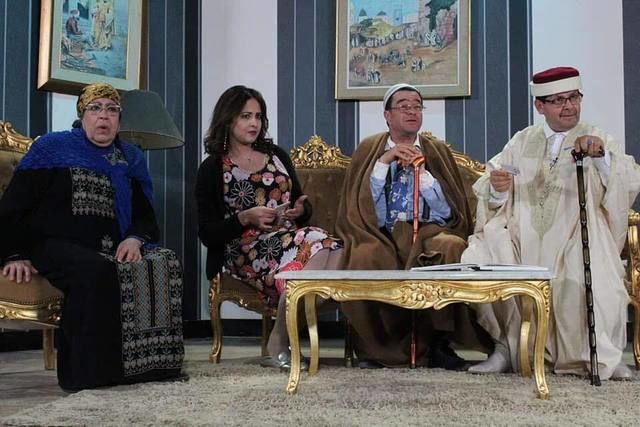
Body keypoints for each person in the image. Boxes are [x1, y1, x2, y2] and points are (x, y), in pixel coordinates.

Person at [0, 83, 185, 391]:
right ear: (82, 115)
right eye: (95, 108)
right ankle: (85, 375)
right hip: (51, 244)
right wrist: (14, 254)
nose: (104, 116)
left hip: (114, 246)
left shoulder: (130, 158)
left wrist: (135, 239)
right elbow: (13, 207)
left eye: (112, 110)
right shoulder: (51, 148)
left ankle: (148, 367)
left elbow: (144, 215)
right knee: (96, 270)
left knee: (164, 261)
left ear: (119, 119)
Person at [462, 66, 640, 380]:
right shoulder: (521, 141)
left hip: (577, 233)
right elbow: (491, 185)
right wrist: (498, 190)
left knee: (594, 270)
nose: (569, 106)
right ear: (539, 106)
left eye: (574, 98)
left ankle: (602, 356)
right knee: (482, 252)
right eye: (558, 100)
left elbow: (625, 182)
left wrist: (601, 157)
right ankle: (509, 348)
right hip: (524, 237)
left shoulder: (597, 137)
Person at [336, 83, 491, 369]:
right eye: (403, 106)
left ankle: (439, 344)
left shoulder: (436, 150)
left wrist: (424, 175)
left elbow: (449, 212)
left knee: (451, 246)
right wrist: (384, 163)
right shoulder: (370, 148)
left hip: (428, 231)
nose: (412, 111)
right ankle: (376, 349)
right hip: (380, 233)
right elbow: (360, 207)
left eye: (417, 106)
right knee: (364, 255)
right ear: (387, 115)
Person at [195, 85, 343, 369]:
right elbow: (207, 232)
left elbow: (300, 204)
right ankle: (280, 340)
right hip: (244, 250)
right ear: (228, 119)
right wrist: (245, 218)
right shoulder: (213, 167)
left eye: (258, 116)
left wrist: (300, 210)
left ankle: (281, 331)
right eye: (245, 116)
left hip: (289, 239)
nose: (254, 123)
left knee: (337, 250)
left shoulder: (276, 155)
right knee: (321, 242)